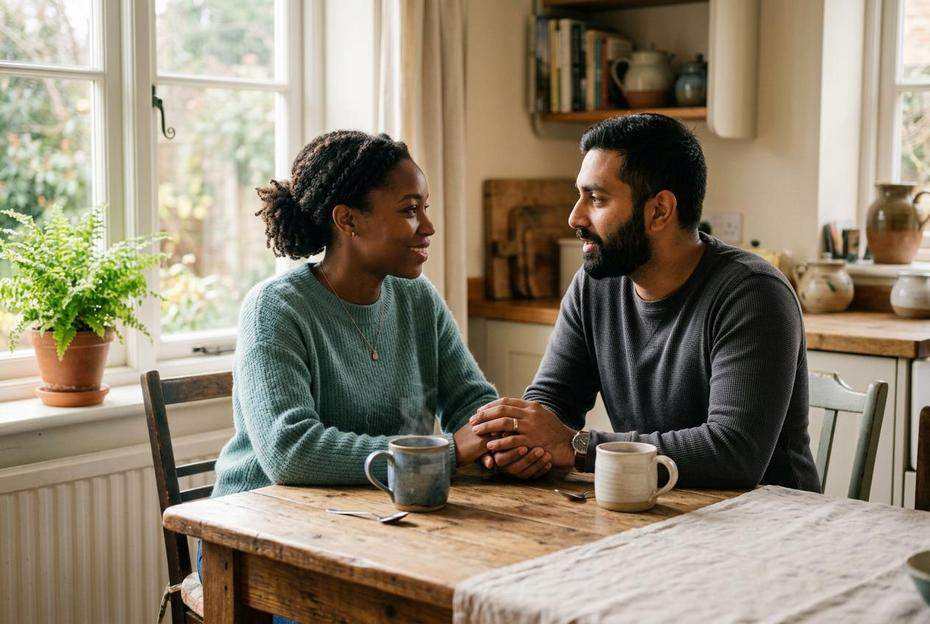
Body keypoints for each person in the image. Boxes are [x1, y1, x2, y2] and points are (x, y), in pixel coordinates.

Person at [202, 131, 551, 622]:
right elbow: (290, 452)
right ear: (347, 220)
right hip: (261, 545)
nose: (428, 226)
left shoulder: (417, 299)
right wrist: (446, 453)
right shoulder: (275, 308)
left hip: (380, 528)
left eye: (425, 207)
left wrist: (504, 440)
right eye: (410, 210)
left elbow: (472, 402)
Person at [471, 114, 821, 492]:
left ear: (659, 211)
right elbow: (552, 401)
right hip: (656, 512)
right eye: (580, 195)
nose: (575, 216)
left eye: (597, 199)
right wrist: (523, 442)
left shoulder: (752, 294)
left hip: (770, 527)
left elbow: (734, 453)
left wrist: (577, 446)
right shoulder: (594, 286)